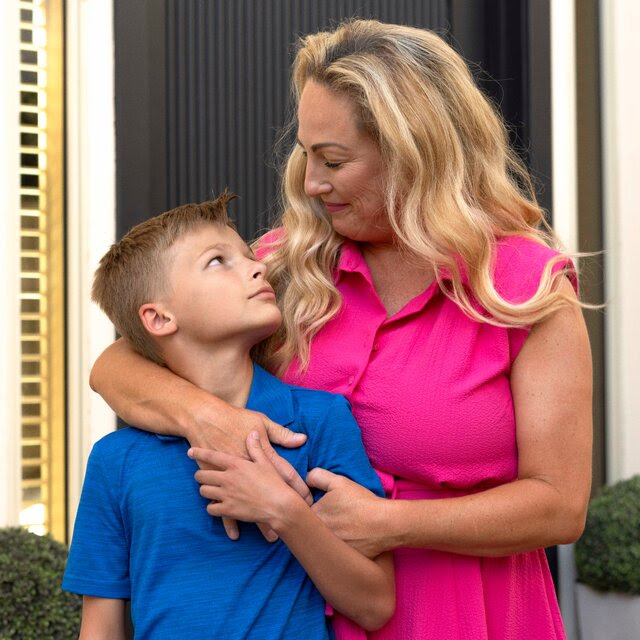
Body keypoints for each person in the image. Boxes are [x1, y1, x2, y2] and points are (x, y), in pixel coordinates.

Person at [90, 19, 593, 640]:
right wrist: (203, 416)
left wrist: (392, 523)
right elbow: (116, 364)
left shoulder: (523, 287)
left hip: (465, 613)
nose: (309, 183)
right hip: (295, 614)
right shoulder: (287, 262)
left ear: (416, 153)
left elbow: (559, 505)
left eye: (333, 161)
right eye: (306, 153)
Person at [63, 193, 395, 640]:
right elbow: (100, 627)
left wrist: (284, 511)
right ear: (159, 318)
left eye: (248, 256)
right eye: (218, 262)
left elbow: (375, 604)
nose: (257, 268)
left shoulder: (319, 421)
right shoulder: (115, 461)